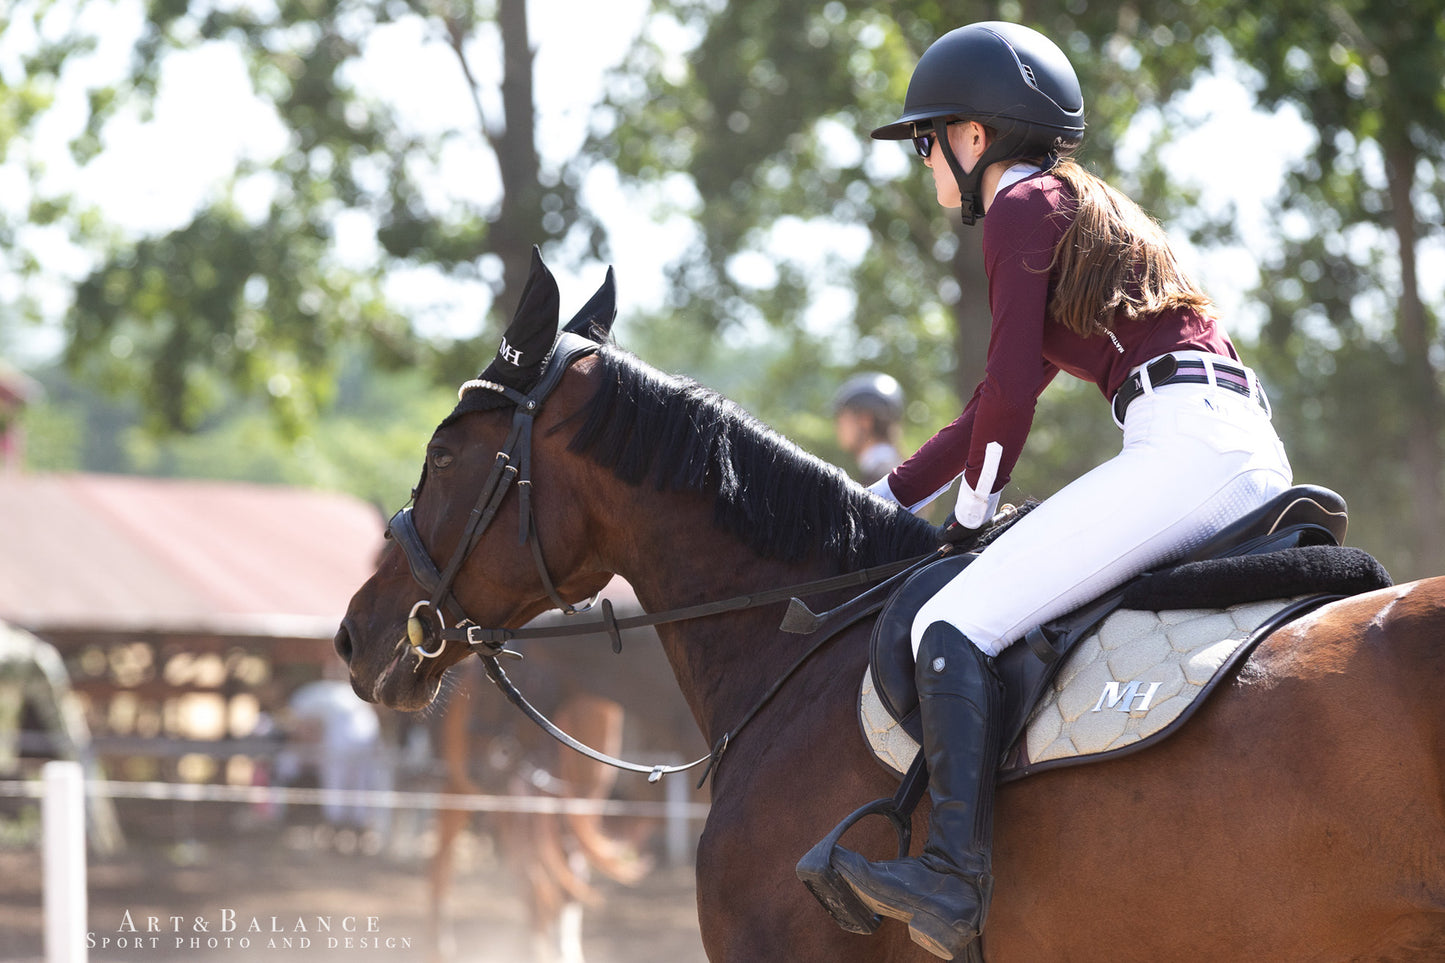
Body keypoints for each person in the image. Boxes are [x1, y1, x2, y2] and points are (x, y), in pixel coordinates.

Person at [826, 21, 1292, 959]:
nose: (925, 164)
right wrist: (887, 497)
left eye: (926, 142)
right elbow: (987, 406)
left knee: (949, 621)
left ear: (973, 135)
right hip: (1236, 441)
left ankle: (952, 876)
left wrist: (966, 518)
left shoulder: (1018, 206)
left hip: (1183, 446)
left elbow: (1006, 397)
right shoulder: (1067, 209)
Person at [832, 372, 906, 484]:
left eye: (842, 418)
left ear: (865, 420)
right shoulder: (896, 470)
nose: (838, 426)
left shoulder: (880, 477)